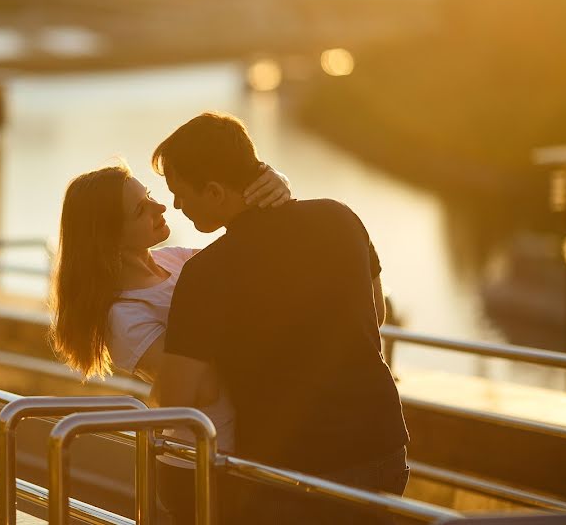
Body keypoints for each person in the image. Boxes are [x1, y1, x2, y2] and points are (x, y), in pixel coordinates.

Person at [154, 112, 409, 524]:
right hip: (382, 447)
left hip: (294, 467)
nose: (177, 206)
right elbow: (375, 314)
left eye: (180, 193)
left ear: (215, 191)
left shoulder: (207, 273)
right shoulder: (341, 217)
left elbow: (176, 399)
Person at [49, 159, 291, 524]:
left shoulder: (175, 261)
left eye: (149, 197)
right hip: (199, 462)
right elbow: (200, 386)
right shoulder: (123, 314)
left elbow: (252, 259)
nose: (161, 206)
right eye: (140, 209)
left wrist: (273, 189)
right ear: (110, 235)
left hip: (240, 452)